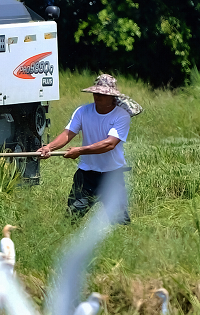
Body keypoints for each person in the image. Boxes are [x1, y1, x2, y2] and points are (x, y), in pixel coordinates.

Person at [37, 74, 134, 222]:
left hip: (112, 176)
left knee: (119, 221)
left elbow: (110, 143)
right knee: (71, 219)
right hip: (86, 175)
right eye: (95, 92)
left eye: (102, 93)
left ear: (112, 97)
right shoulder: (82, 111)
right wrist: (49, 147)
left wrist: (80, 150)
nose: (97, 96)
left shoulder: (121, 116)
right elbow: (68, 134)